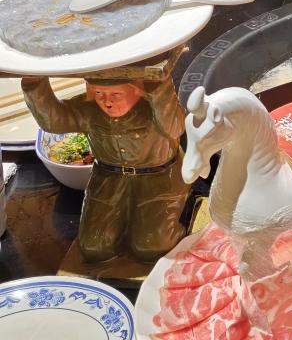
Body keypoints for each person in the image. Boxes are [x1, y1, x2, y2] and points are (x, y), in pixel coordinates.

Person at [22, 75, 188, 263]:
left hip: (159, 178)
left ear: (136, 90)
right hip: (108, 180)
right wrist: (33, 84)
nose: (107, 102)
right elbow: (53, 121)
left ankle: (179, 232)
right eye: (99, 93)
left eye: (116, 94)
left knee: (151, 246)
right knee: (94, 246)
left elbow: (176, 127)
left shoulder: (154, 107)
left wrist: (160, 87)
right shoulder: (90, 111)